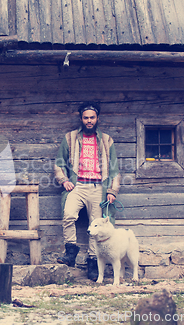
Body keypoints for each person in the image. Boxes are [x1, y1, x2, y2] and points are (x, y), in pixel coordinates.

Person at [54, 102, 121, 281]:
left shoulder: (107, 140)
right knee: (68, 215)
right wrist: (64, 180)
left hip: (98, 187)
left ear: (97, 118)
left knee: (95, 224)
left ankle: (93, 263)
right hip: (78, 186)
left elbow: (114, 169)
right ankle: (70, 252)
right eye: (86, 117)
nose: (89, 120)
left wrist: (112, 191)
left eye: (92, 117)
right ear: (81, 119)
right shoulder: (70, 138)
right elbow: (59, 163)